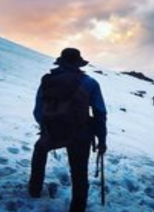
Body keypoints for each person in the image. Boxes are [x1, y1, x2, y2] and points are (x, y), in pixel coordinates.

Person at [28, 48, 107, 212]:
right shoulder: (90, 83)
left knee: (40, 149)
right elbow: (100, 112)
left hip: (53, 132)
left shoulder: (48, 81)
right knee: (79, 172)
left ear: (61, 62)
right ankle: (77, 208)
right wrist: (102, 140)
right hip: (80, 133)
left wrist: (46, 128)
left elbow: (38, 111)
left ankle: (34, 189)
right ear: (78, 63)